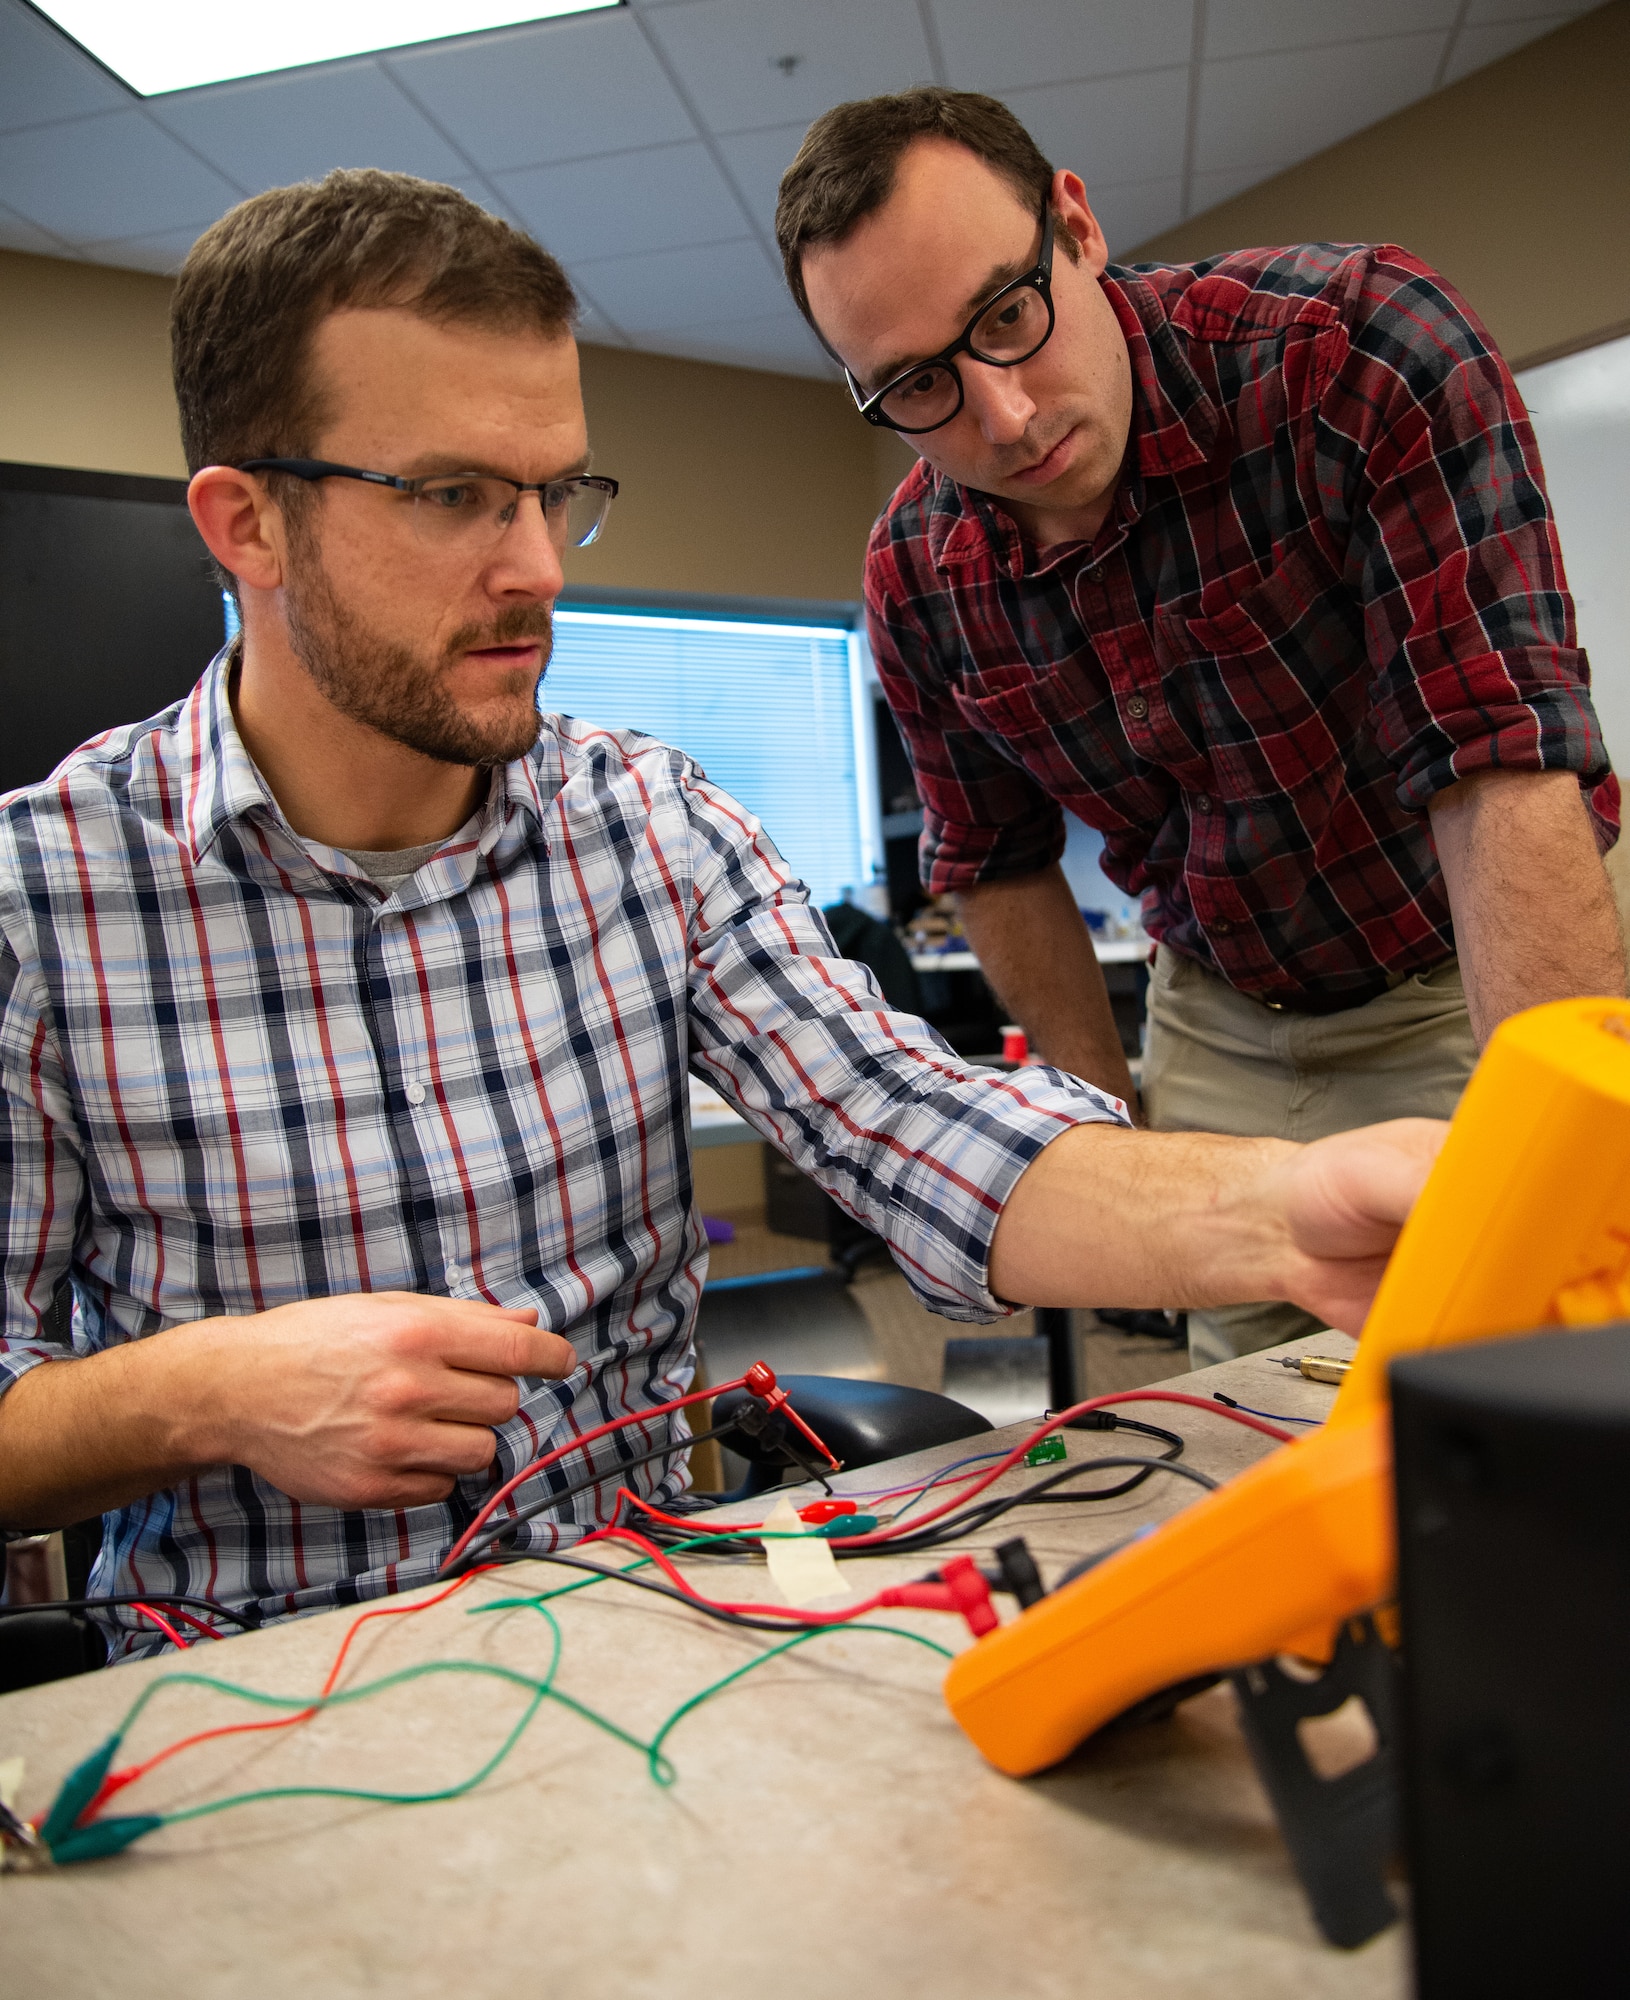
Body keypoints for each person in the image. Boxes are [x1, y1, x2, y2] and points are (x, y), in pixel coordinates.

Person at [0, 170, 1442, 1657]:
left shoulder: (647, 826)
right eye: (451, 497)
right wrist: (202, 1393)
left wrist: (1284, 1213)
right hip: (240, 1703)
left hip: (637, 1644)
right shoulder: (38, 905)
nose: (537, 570)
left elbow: (911, 1125)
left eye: (554, 492)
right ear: (247, 525)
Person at [774, 87, 1626, 1365]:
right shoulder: (917, 574)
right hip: (1215, 1013)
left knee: (1531, 1359)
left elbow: (1495, 758)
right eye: (915, 385)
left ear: (1075, 222)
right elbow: (993, 862)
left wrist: (1565, 1166)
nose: (999, 417)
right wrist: (1106, 1135)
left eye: (1007, 317)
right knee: (1255, 1411)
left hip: (1467, 966)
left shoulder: (1354, 351)